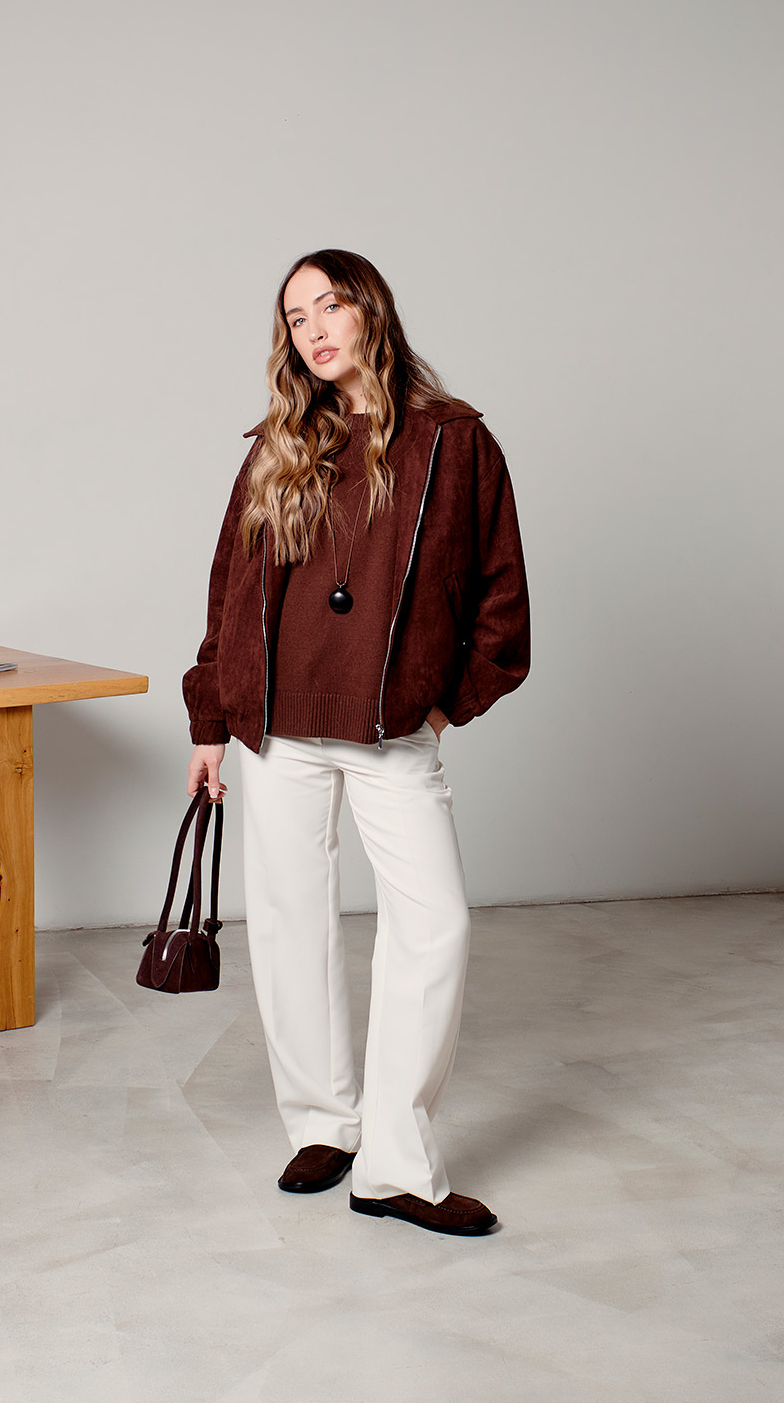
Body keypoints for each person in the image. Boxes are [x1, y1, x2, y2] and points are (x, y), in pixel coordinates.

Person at [183, 249, 530, 1236]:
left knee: (434, 925)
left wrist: (442, 706)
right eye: (295, 318)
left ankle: (395, 1166)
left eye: (328, 304)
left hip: (390, 730)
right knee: (289, 924)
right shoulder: (279, 442)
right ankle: (324, 1125)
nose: (313, 329)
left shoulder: (454, 441)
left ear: (371, 309)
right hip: (276, 728)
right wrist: (210, 720)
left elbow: (501, 595)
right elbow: (229, 590)